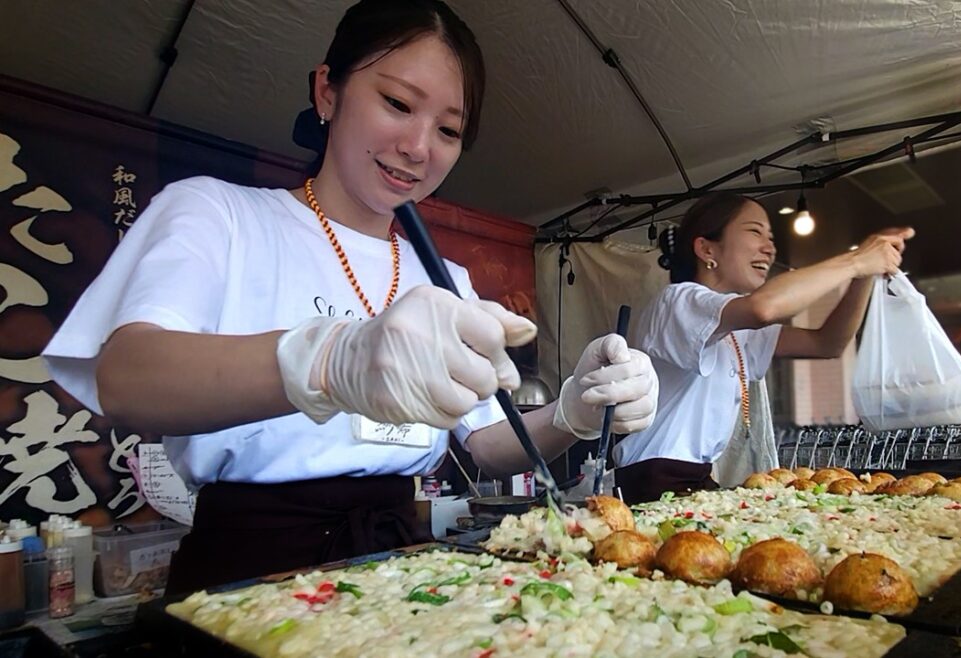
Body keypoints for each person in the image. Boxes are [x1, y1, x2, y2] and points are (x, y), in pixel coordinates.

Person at [41, 0, 658, 594]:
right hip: (248, 566)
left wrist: (575, 411)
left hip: (401, 566)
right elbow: (126, 379)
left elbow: (487, 444)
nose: (419, 147)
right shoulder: (216, 212)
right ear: (327, 91)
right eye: (396, 103)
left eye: (449, 129)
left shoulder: (444, 278)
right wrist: (328, 360)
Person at [612, 192, 911, 504]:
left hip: (694, 479)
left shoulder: (735, 326)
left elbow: (828, 343)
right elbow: (763, 308)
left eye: (770, 237)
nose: (770, 247)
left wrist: (864, 275)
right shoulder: (677, 301)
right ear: (706, 248)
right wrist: (855, 260)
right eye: (755, 231)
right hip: (652, 483)